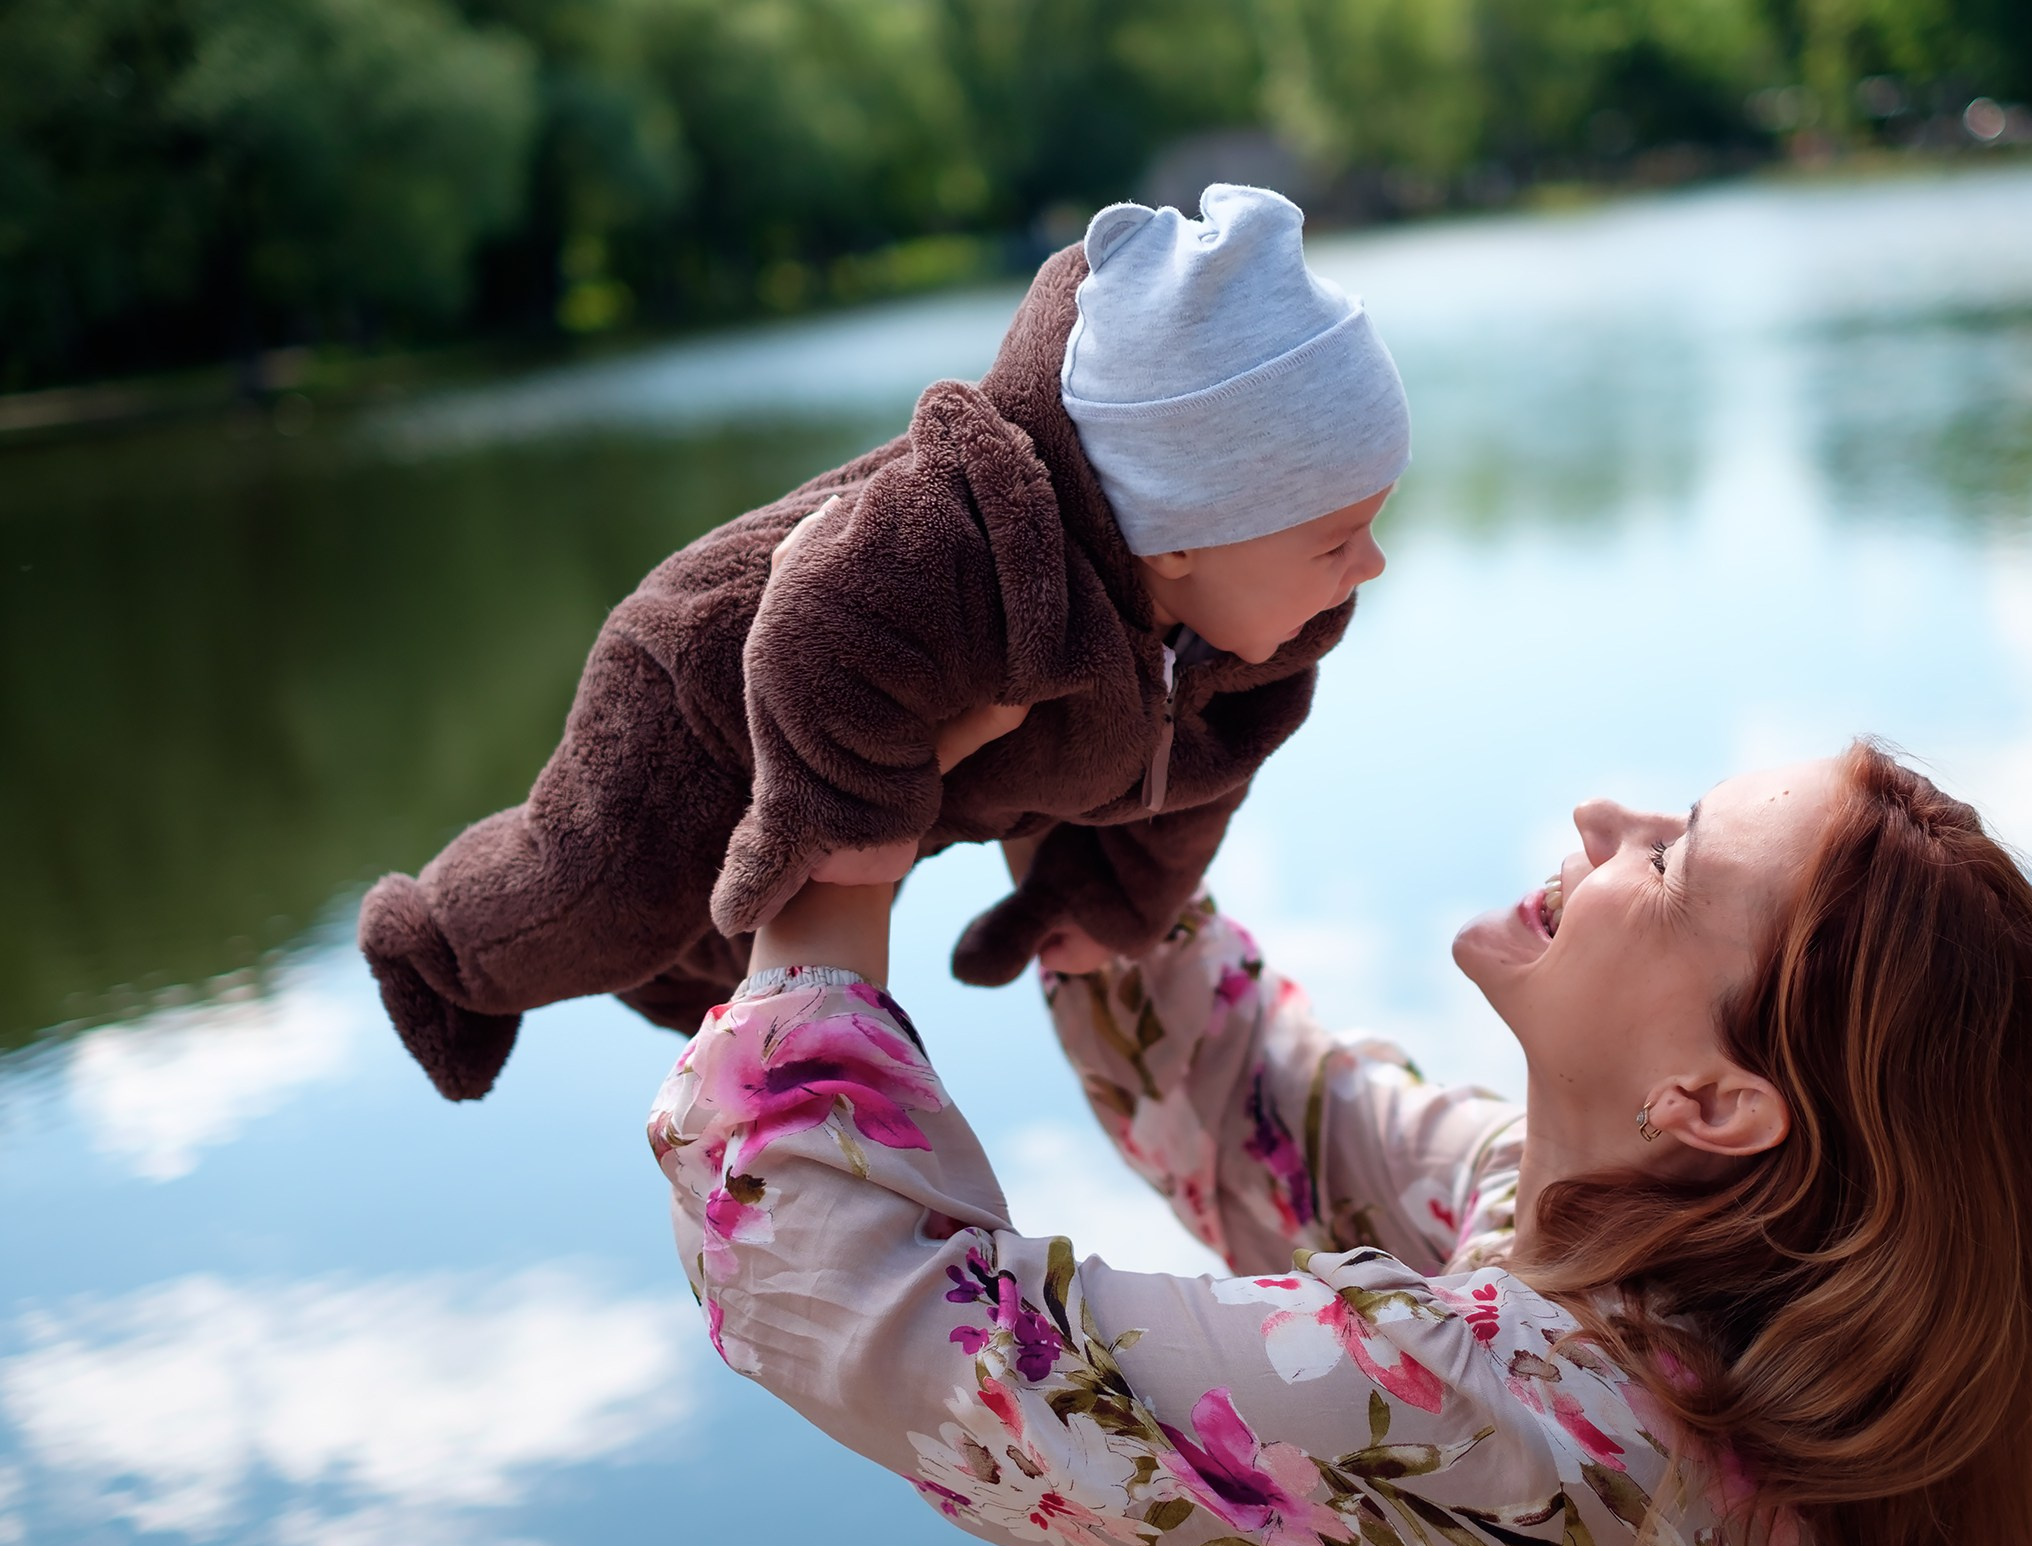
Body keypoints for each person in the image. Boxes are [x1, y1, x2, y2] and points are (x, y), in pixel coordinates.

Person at [649, 732, 2032, 1546]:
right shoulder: (1623, 1263)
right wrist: (1090, 778)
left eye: (1673, 858)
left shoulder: (1515, 1431)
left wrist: (829, 864)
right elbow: (1259, 1109)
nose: (1602, 817)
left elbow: (893, 1321)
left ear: (1711, 1101)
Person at [360, 183, 1407, 1101]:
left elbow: (1193, 782)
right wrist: (854, 838)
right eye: (1334, 540)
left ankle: (707, 944)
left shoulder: (1257, 648)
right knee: (601, 897)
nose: (1369, 566)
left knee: (710, 963)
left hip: (900, 761)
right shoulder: (973, 541)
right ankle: (435, 949)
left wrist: (1111, 899)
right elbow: (815, 629)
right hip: (710, 692)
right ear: (1179, 538)